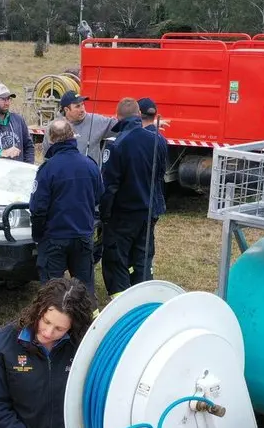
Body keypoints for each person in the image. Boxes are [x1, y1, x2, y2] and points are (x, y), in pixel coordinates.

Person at [0, 278, 97, 428]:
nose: (48, 332)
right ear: (39, 310)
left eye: (59, 329)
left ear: (73, 327)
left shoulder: (82, 346)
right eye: (46, 321)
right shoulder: (4, 344)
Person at [100, 97, 168, 297]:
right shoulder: (158, 140)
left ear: (117, 117)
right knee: (142, 256)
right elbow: (160, 175)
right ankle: (144, 297)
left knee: (117, 258)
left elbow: (110, 185)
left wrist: (104, 214)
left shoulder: (117, 144)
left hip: (123, 213)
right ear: (139, 115)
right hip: (149, 210)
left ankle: (121, 300)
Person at [30, 119, 103, 298]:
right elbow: (100, 196)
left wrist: (38, 235)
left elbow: (38, 208)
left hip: (55, 238)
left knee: (52, 290)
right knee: (84, 289)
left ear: (52, 140)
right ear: (72, 136)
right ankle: (89, 321)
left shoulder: (47, 169)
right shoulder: (90, 165)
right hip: (83, 236)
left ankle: (54, 320)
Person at [139, 97, 169, 275]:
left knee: (141, 245)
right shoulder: (161, 139)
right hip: (155, 202)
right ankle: (147, 271)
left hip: (142, 202)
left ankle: (142, 276)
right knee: (148, 242)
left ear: (138, 114)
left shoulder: (138, 140)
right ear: (155, 115)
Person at [60, 90, 117, 166]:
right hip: (64, 176)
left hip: (90, 177)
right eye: (77, 106)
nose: (82, 109)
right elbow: (47, 157)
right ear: (66, 110)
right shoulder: (54, 127)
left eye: (82, 104)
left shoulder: (96, 121)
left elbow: (120, 126)